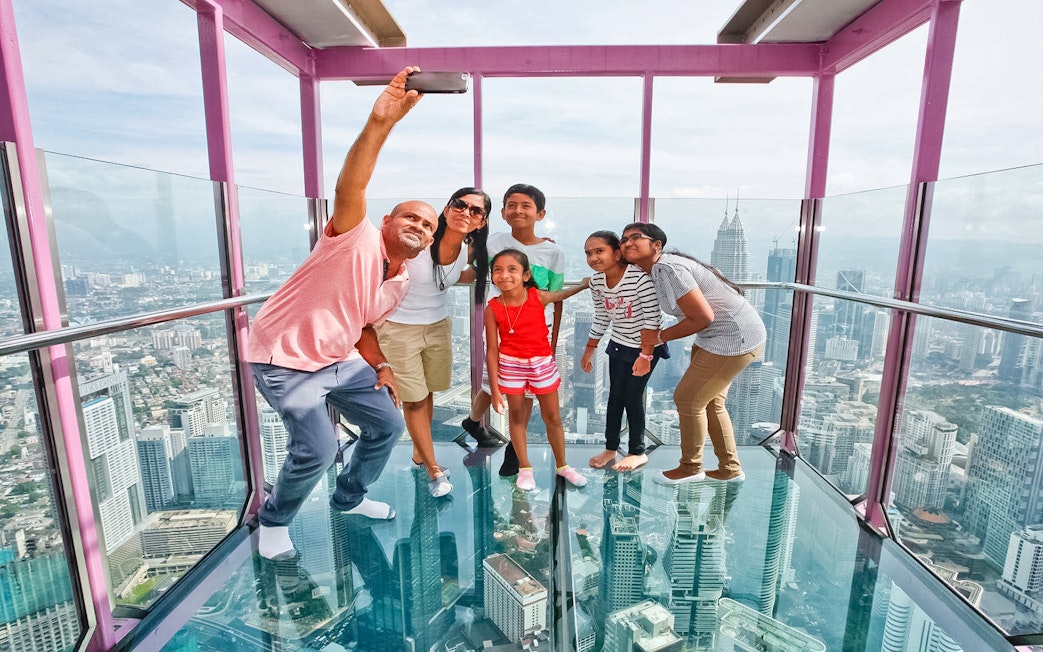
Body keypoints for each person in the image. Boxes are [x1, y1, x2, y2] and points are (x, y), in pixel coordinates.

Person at [247, 67, 439, 561]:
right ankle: (274, 519)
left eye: (428, 224)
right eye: (411, 216)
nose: (419, 224)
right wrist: (380, 124)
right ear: (388, 220)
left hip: (338, 360)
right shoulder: (354, 237)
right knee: (317, 448)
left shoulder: (398, 281)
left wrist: (380, 365)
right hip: (284, 358)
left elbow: (364, 326)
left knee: (387, 426)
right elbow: (352, 182)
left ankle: (348, 499)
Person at [620, 222, 766, 484]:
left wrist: (659, 338)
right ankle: (729, 469)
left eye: (635, 237)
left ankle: (690, 468)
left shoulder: (668, 267)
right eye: (623, 239)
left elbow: (702, 317)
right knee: (710, 402)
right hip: (720, 338)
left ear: (656, 245)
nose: (627, 242)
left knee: (687, 400)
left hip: (733, 339)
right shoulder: (657, 269)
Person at [376, 187, 490, 497]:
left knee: (428, 394)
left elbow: (456, 275)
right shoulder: (421, 243)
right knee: (413, 400)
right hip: (399, 329)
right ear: (448, 207)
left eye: (475, 211)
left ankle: (418, 451)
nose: (465, 212)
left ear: (481, 222)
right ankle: (433, 469)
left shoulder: (467, 250)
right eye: (460, 204)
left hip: (438, 327)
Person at [460, 184, 566, 474]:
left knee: (526, 392)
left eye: (526, 205)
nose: (518, 210)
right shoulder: (494, 242)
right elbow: (471, 267)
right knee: (489, 382)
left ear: (540, 213)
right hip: (502, 325)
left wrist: (552, 345)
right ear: (504, 213)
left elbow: (555, 301)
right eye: (512, 205)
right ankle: (472, 419)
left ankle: (513, 452)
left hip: (534, 332)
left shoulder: (552, 252)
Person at [485, 249, 589, 491]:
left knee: (552, 417)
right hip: (510, 365)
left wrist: (583, 286)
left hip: (541, 363)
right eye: (497, 270)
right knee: (517, 417)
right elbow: (491, 350)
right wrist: (495, 390)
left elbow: (561, 294)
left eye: (512, 269)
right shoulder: (493, 308)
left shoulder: (536, 297)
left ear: (525, 274)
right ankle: (525, 468)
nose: (504, 275)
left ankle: (562, 465)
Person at [581, 230, 666, 472]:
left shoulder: (639, 279)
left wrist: (646, 355)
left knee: (632, 398)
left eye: (600, 251)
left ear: (618, 253)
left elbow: (653, 320)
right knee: (615, 397)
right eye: (589, 253)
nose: (594, 257)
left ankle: (638, 451)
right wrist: (589, 350)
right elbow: (601, 317)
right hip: (619, 344)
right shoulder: (597, 282)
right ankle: (610, 448)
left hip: (646, 346)